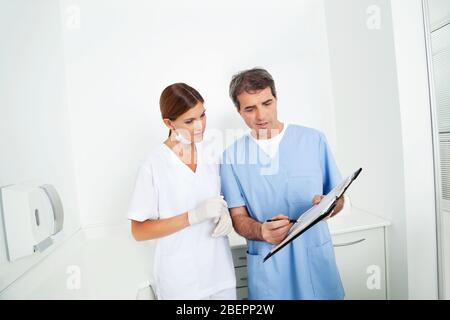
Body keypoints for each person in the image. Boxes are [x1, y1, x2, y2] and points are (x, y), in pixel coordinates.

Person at [220, 68, 345, 299]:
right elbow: (238, 218)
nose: (261, 115)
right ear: (239, 112)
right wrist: (261, 231)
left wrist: (330, 206)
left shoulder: (313, 140)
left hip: (314, 260)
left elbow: (338, 198)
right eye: (250, 108)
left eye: (267, 103)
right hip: (270, 270)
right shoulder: (231, 158)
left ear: (276, 99)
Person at [127, 83, 236, 299]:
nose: (200, 126)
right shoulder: (153, 165)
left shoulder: (211, 154)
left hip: (219, 273)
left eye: (202, 115)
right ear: (169, 122)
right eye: (189, 121)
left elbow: (219, 198)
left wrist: (226, 213)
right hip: (181, 281)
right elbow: (139, 231)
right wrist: (192, 216)